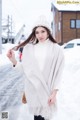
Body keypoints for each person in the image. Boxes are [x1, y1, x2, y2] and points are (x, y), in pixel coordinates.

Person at [7, 16, 64, 120]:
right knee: (37, 118)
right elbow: (25, 70)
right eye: (37, 32)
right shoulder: (29, 49)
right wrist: (13, 60)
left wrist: (54, 93)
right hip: (34, 91)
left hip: (47, 92)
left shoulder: (57, 49)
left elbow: (58, 73)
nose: (40, 35)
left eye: (43, 31)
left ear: (48, 31)